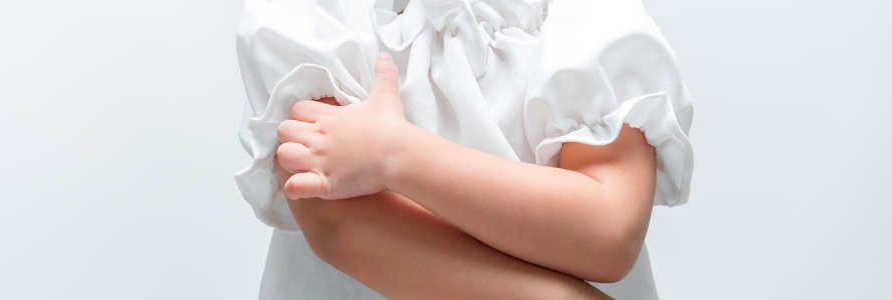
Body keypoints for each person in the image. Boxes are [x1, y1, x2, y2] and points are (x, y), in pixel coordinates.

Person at [234, 0, 694, 299]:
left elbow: (607, 234)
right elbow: (338, 225)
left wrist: (396, 153)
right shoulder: (313, 14)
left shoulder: (592, 18)